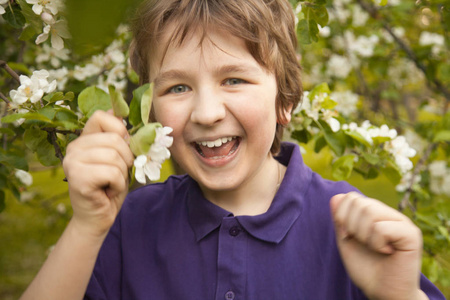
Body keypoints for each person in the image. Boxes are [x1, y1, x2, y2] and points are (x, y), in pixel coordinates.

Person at [20, 0, 446, 299]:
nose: (207, 112)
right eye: (178, 86)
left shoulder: (352, 226)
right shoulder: (128, 222)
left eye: (234, 80)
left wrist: (401, 297)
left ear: (285, 100)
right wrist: (86, 228)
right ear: (149, 110)